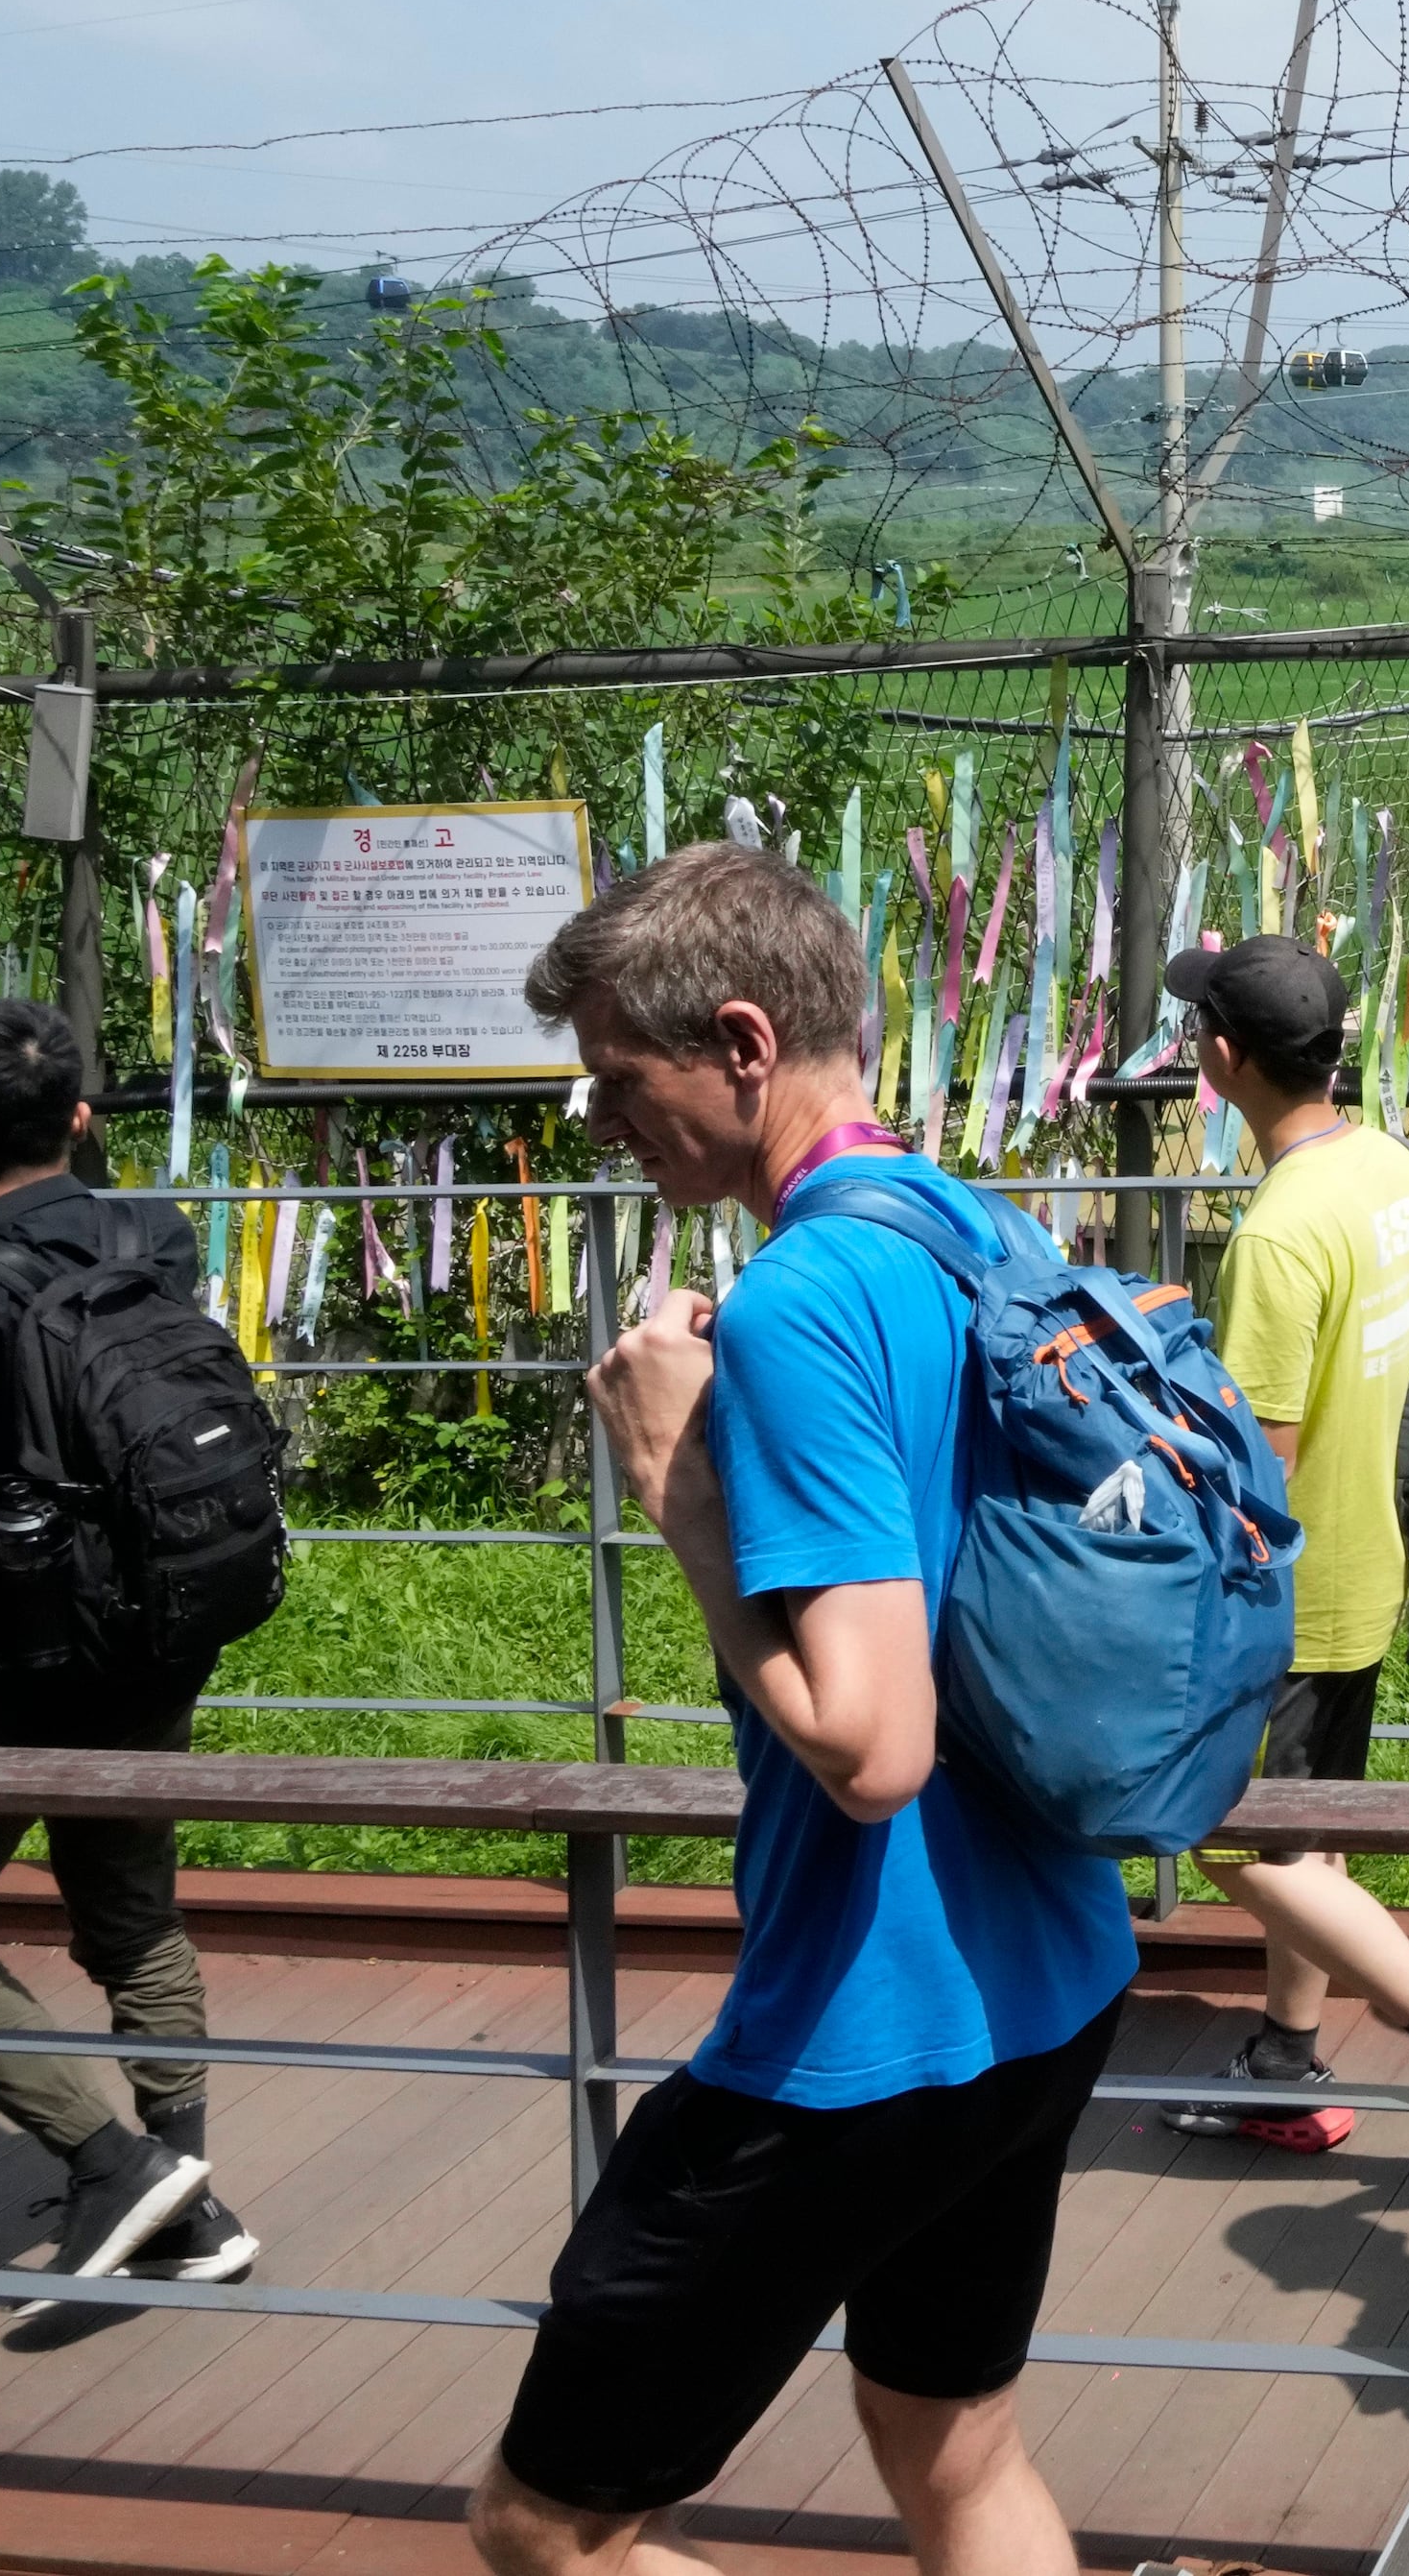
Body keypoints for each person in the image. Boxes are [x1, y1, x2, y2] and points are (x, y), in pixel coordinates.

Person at [474, 846, 1134, 2576]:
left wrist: (678, 1491)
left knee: (550, 2528)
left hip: (861, 2030)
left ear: (745, 1041)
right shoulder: (967, 1220)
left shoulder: (804, 1299)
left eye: (622, 1079)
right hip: (1046, 1975)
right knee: (952, 2441)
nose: (603, 1121)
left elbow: (870, 1744)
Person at [0, 999, 251, 2323]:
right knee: (131, 1914)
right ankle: (185, 2203)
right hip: (155, 1631)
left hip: (14, 1668)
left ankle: (116, 2161)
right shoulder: (155, 1236)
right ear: (80, 1115)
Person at [1154, 934, 1409, 2192]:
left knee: (1221, 1829)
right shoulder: (1387, 1164)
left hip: (1295, 1595)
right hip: (1380, 1568)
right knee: (1311, 1838)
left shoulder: (1276, 1236)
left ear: (1223, 1057)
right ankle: (1285, 2058)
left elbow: (1253, 1471)